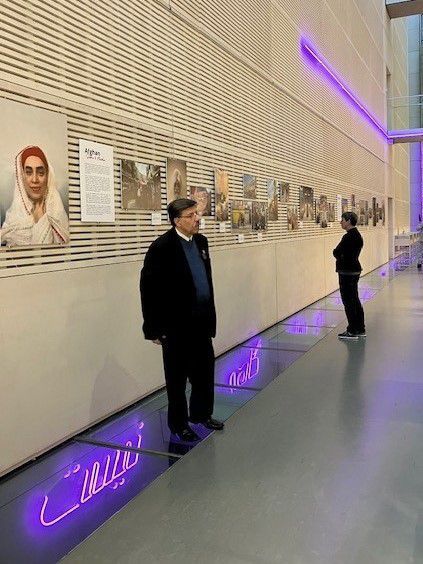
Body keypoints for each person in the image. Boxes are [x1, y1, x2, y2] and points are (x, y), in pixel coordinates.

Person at [140, 198, 224, 442]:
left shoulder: (201, 242)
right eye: (191, 215)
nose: (197, 218)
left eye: (197, 213)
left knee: (205, 372)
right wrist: (153, 328)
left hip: (201, 322)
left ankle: (201, 414)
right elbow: (148, 289)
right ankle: (179, 424)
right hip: (175, 327)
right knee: (176, 380)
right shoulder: (161, 247)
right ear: (177, 220)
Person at [1, 145, 69, 246]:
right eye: (28, 173)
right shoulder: (13, 219)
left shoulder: (57, 217)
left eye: (41, 173)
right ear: (21, 177)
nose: (34, 180)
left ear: (48, 177)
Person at [333, 211, 366, 340]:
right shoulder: (357, 235)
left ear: (348, 221)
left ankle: (352, 330)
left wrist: (338, 254)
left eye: (342, 219)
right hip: (354, 270)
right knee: (355, 300)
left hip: (347, 272)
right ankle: (360, 328)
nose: (340, 222)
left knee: (348, 301)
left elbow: (337, 252)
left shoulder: (348, 237)